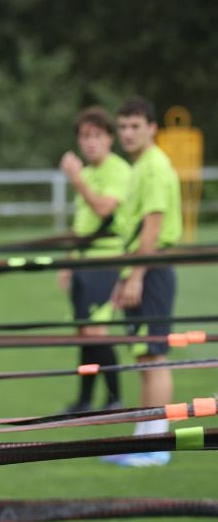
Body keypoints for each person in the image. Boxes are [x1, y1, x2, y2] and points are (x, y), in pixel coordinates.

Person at [103, 96, 183, 467]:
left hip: (153, 269)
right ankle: (142, 438)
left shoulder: (153, 167)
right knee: (143, 356)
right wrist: (125, 277)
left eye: (135, 126)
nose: (128, 133)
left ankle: (159, 444)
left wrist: (136, 274)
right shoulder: (139, 167)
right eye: (123, 127)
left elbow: (152, 228)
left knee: (155, 355)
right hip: (140, 268)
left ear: (152, 128)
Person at [57, 106, 133, 412]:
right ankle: (85, 400)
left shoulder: (118, 170)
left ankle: (115, 399)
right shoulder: (87, 173)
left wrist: (77, 181)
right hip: (83, 263)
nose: (90, 143)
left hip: (107, 262)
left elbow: (104, 209)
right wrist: (69, 261)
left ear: (110, 139)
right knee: (83, 334)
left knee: (97, 332)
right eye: (85, 136)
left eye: (97, 136)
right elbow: (82, 225)